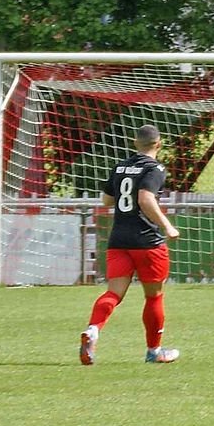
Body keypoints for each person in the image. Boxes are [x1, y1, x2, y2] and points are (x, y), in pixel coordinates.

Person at [80, 124, 181, 365]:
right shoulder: (155, 169)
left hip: (119, 240)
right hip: (147, 241)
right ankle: (154, 352)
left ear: (135, 143)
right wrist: (167, 226)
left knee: (113, 293)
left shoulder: (120, 166)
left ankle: (93, 330)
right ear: (159, 144)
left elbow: (106, 200)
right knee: (154, 297)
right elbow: (145, 199)